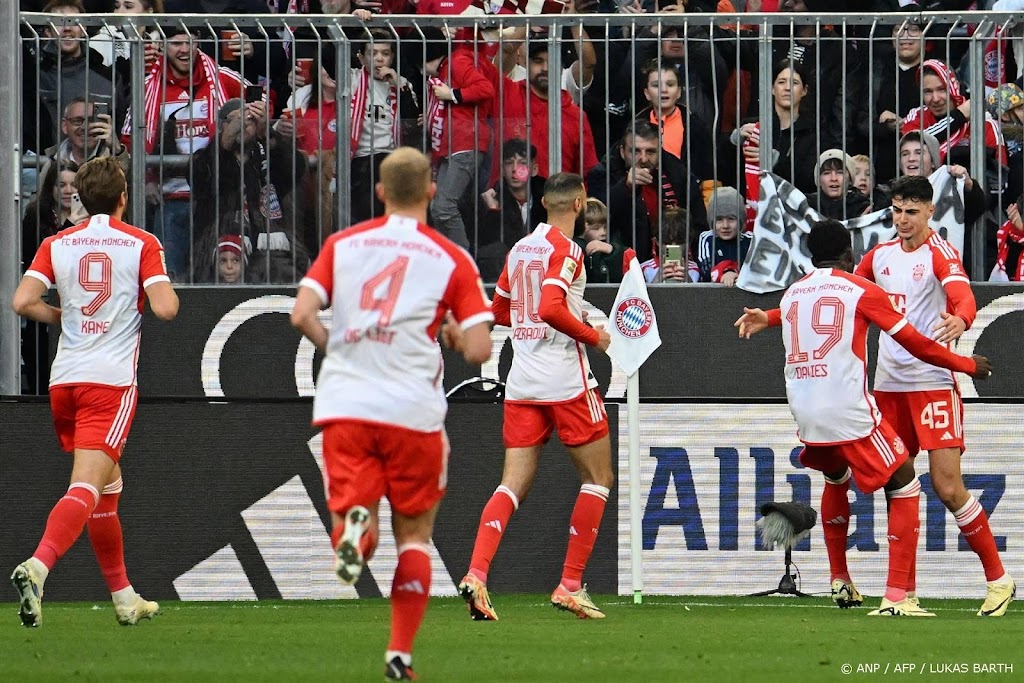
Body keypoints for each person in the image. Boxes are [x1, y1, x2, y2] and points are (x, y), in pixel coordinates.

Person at [290, 147, 493, 681]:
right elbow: (478, 350)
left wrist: (339, 352)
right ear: (431, 191)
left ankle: (354, 533)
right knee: (415, 538)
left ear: (379, 193)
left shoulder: (343, 244)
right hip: (411, 410)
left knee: (355, 513)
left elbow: (302, 313)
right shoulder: (450, 258)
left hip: (346, 402)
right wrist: (449, 332)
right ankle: (399, 655)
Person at [734, 219, 992, 617]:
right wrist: (966, 364)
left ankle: (840, 577)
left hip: (804, 411)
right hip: (849, 410)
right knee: (905, 482)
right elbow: (918, 345)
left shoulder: (792, 294)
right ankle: (897, 597)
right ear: (850, 255)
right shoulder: (861, 289)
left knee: (836, 478)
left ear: (809, 254)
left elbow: (789, 314)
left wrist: (765, 318)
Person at [9, 156, 179, 628]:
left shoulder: (57, 242)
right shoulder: (141, 242)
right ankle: (38, 566)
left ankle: (124, 596)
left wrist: (62, 316)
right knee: (85, 486)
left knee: (109, 485)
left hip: (65, 380)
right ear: (123, 197)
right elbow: (165, 309)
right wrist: (161, 289)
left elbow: (23, 301)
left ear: (80, 198)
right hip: (110, 381)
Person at [854, 175, 1016, 616]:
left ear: (929, 212)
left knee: (947, 487)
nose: (902, 220)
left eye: (911, 212)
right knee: (898, 487)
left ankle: (999, 580)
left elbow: (962, 294)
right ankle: (903, 595)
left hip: (932, 383)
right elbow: (848, 294)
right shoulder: (879, 256)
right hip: (887, 386)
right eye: (897, 211)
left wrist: (963, 320)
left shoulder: (939, 252)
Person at [459, 172, 614, 622]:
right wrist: (592, 335)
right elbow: (548, 307)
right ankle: (569, 584)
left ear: (544, 203)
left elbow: (501, 310)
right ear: (581, 203)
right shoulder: (568, 250)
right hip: (565, 382)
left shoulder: (522, 248)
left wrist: (531, 328)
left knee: (511, 485)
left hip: (523, 381)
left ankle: (477, 574)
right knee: (598, 477)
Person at [420, 26, 498, 250]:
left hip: (465, 143)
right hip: (455, 144)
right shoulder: (449, 66)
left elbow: (485, 89)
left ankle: (464, 265)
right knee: (438, 209)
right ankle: (455, 260)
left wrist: (453, 94)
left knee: (444, 208)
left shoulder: (456, 61)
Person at [697, 186, 750, 285]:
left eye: (731, 219)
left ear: (741, 220)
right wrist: (726, 271)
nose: (725, 226)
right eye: (719, 219)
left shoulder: (750, 240)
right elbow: (706, 269)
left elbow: (757, 271)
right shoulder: (706, 238)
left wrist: (734, 273)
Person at [807, 150, 871, 220]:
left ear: (850, 179)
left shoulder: (862, 206)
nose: (833, 178)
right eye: (826, 173)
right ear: (818, 180)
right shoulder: (807, 205)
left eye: (840, 172)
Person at [574, 198, 625, 284]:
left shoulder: (612, 245)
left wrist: (612, 250)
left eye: (605, 228)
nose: (603, 233)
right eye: (596, 228)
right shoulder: (574, 248)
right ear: (584, 227)